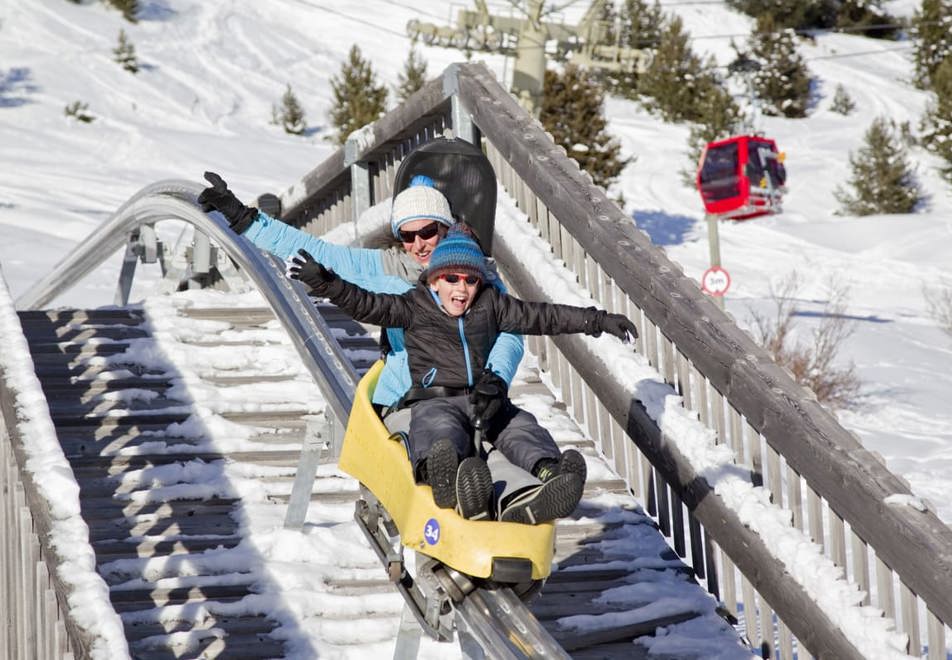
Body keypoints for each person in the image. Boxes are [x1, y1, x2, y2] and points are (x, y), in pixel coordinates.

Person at [197, 170, 555, 518]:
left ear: (445, 227)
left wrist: (495, 378)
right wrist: (242, 217)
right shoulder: (386, 270)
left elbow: (510, 333)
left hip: (478, 396)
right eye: (407, 236)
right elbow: (311, 249)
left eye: (428, 231)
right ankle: (456, 490)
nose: (418, 245)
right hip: (411, 398)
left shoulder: (476, 276)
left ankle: (521, 499)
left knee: (498, 445)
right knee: (444, 441)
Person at [287, 226, 638, 524]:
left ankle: (550, 476)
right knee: (440, 432)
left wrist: (599, 321)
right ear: (434, 280)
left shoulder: (492, 305)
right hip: (434, 400)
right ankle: (452, 481)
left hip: (483, 400)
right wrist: (326, 283)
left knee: (520, 426)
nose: (462, 288)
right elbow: (365, 303)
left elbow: (545, 317)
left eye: (470, 280)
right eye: (451, 279)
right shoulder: (413, 306)